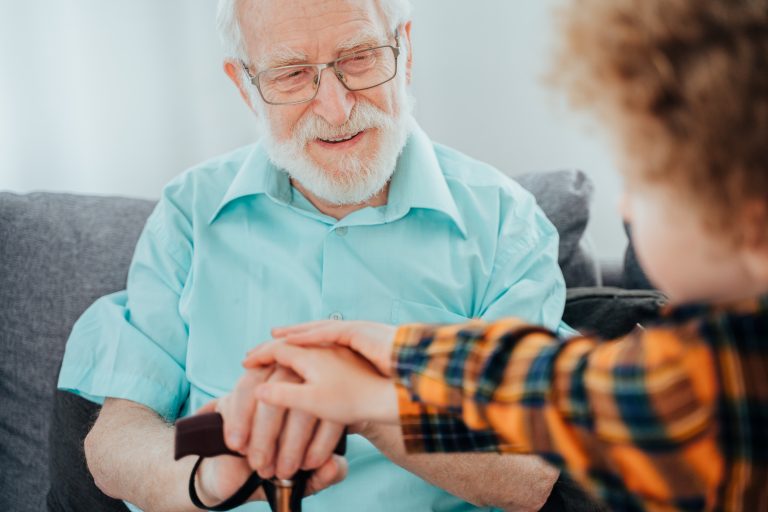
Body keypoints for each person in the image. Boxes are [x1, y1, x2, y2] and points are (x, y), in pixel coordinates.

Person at [242, 0, 768, 510]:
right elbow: (560, 386)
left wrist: (381, 392)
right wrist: (400, 358)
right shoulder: (720, 356)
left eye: (644, 181)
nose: (625, 202)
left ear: (754, 227)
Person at [57, 0, 580, 510]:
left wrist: (371, 405)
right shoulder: (189, 214)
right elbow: (119, 440)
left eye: (359, 57)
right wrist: (212, 477)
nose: (336, 107)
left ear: (406, 51)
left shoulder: (505, 223)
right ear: (245, 86)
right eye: (290, 73)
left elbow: (528, 475)